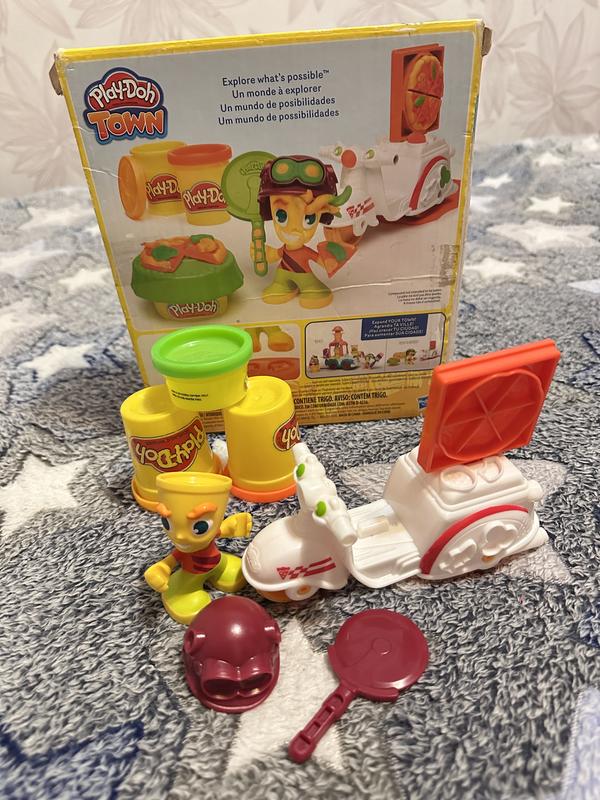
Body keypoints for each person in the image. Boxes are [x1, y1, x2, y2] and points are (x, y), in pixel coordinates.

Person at [257, 155, 353, 309]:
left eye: (309, 219)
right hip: (282, 275)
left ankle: (313, 289)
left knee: (312, 289)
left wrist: (330, 260)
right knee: (279, 283)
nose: (293, 228)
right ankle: (282, 286)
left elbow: (318, 259)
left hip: (306, 278)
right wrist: (264, 253)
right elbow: (277, 254)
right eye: (281, 216)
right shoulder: (285, 249)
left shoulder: (304, 252)